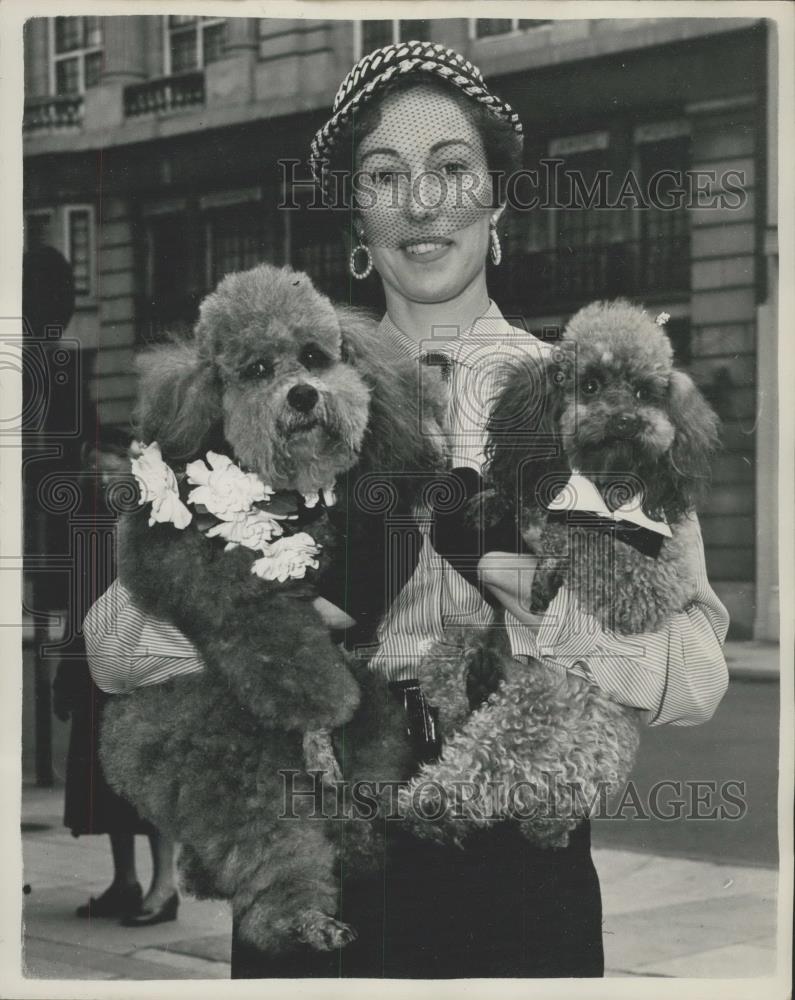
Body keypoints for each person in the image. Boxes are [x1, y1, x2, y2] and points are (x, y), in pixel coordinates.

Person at [83, 41, 729, 978]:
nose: (421, 203)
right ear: (356, 210)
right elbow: (113, 649)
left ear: (496, 200)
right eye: (385, 176)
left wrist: (532, 591)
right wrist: (308, 603)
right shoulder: (271, 388)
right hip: (312, 847)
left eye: (451, 168)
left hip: (522, 864)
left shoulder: (591, 396)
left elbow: (697, 673)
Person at [54, 429, 181, 927]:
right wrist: (68, 668)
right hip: (95, 660)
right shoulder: (86, 522)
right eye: (94, 469)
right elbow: (77, 599)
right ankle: (124, 880)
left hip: (146, 664)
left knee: (151, 777)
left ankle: (164, 885)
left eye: (110, 467)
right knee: (105, 778)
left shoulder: (158, 516)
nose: (102, 477)